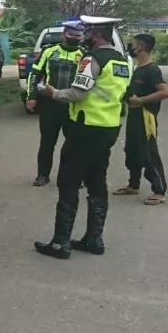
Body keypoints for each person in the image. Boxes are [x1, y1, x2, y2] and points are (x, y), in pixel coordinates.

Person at [34, 18, 130, 259]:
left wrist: (52, 93)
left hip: (85, 127)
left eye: (87, 30)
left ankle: (60, 243)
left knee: (68, 182)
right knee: (97, 181)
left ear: (97, 33)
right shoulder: (122, 61)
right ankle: (94, 239)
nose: (83, 34)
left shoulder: (91, 59)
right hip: (109, 128)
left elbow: (77, 93)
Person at [25, 21, 85, 186]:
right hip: (49, 104)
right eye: (72, 34)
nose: (75, 37)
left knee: (74, 144)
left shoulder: (84, 54)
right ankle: (42, 175)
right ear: (65, 33)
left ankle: (74, 176)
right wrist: (31, 97)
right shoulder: (49, 51)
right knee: (47, 142)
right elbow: (35, 74)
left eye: (79, 35)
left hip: (72, 105)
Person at [116, 33, 168, 205]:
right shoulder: (138, 68)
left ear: (140, 47)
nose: (130, 47)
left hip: (146, 118)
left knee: (148, 153)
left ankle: (159, 191)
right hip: (134, 117)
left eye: (132, 44)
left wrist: (141, 101)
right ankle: (133, 185)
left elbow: (164, 92)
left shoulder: (152, 70)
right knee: (131, 151)